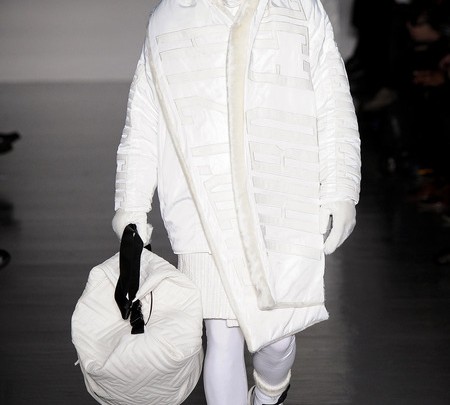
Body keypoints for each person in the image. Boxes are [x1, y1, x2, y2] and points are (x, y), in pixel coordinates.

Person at [112, 0, 361, 404]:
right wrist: (132, 205)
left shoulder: (299, 8)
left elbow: (331, 100)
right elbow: (144, 119)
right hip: (200, 202)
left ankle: (269, 394)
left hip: (282, 196)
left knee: (277, 341)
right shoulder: (172, 16)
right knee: (222, 337)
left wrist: (340, 188)